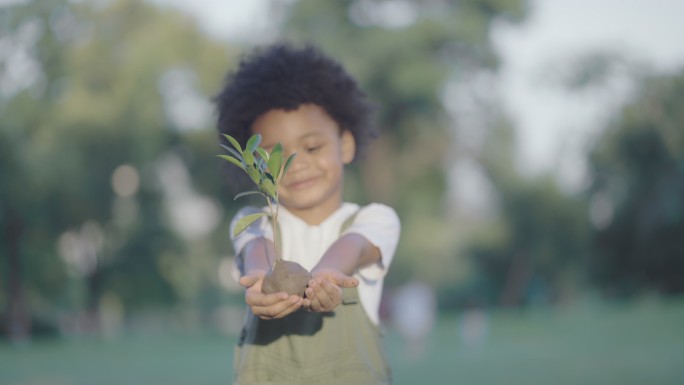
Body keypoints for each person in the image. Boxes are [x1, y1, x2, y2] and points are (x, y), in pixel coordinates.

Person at [214, 43, 401, 384]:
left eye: (312, 147)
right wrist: (259, 281)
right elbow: (259, 251)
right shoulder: (251, 222)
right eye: (274, 155)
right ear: (255, 166)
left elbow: (353, 247)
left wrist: (325, 277)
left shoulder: (375, 219)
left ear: (345, 143)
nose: (296, 165)